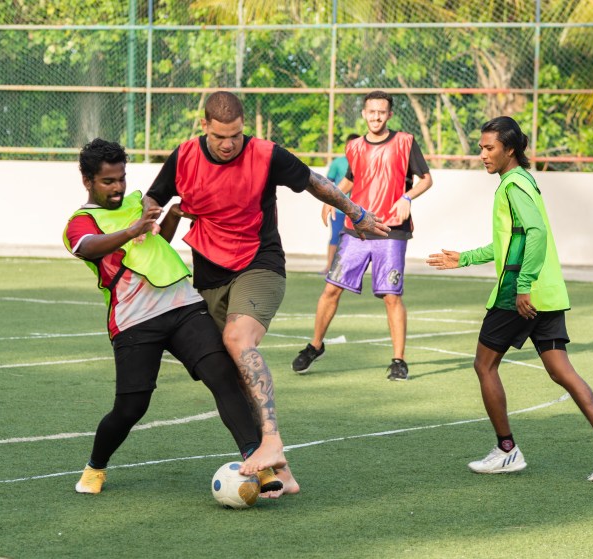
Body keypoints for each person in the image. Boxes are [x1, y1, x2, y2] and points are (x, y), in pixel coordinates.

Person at [143, 91, 389, 496]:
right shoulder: (184, 157)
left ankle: (272, 439)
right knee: (229, 370)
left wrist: (356, 212)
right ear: (204, 126)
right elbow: (154, 200)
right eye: (221, 136)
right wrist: (150, 218)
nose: (229, 144)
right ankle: (282, 471)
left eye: (236, 135)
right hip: (209, 278)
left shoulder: (265, 154)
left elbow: (316, 183)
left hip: (260, 264)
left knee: (238, 338)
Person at [65, 139, 279, 495]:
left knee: (223, 377)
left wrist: (173, 217)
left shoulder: (137, 202)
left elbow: (155, 244)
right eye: (108, 181)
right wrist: (131, 231)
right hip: (135, 321)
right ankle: (95, 466)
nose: (118, 187)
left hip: (182, 305)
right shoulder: (81, 222)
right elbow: (85, 247)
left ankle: (258, 460)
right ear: (87, 180)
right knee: (131, 407)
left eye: (121, 178)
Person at [426, 116, 593, 481]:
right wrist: (467, 258)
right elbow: (512, 241)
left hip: (520, 294)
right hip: (547, 291)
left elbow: (534, 233)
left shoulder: (512, 186)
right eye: (481, 148)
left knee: (484, 365)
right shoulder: (523, 181)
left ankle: (507, 450)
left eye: (489, 148)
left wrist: (522, 285)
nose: (482, 155)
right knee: (560, 370)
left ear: (510, 149)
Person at [292, 91, 433, 381]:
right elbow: (353, 179)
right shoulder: (354, 146)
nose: (377, 116)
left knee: (391, 296)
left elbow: (427, 179)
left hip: (392, 230)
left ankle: (398, 361)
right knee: (331, 288)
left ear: (390, 114)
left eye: (382, 112)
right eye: (372, 112)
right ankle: (315, 345)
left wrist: (407, 197)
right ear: (364, 113)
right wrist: (331, 198)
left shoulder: (405, 142)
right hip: (357, 228)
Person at [321, 134, 360, 274]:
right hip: (338, 209)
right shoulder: (338, 163)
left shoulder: (364, 163)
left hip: (356, 209)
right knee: (336, 236)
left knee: (355, 239)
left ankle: (350, 269)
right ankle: (329, 266)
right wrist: (329, 200)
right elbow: (327, 183)